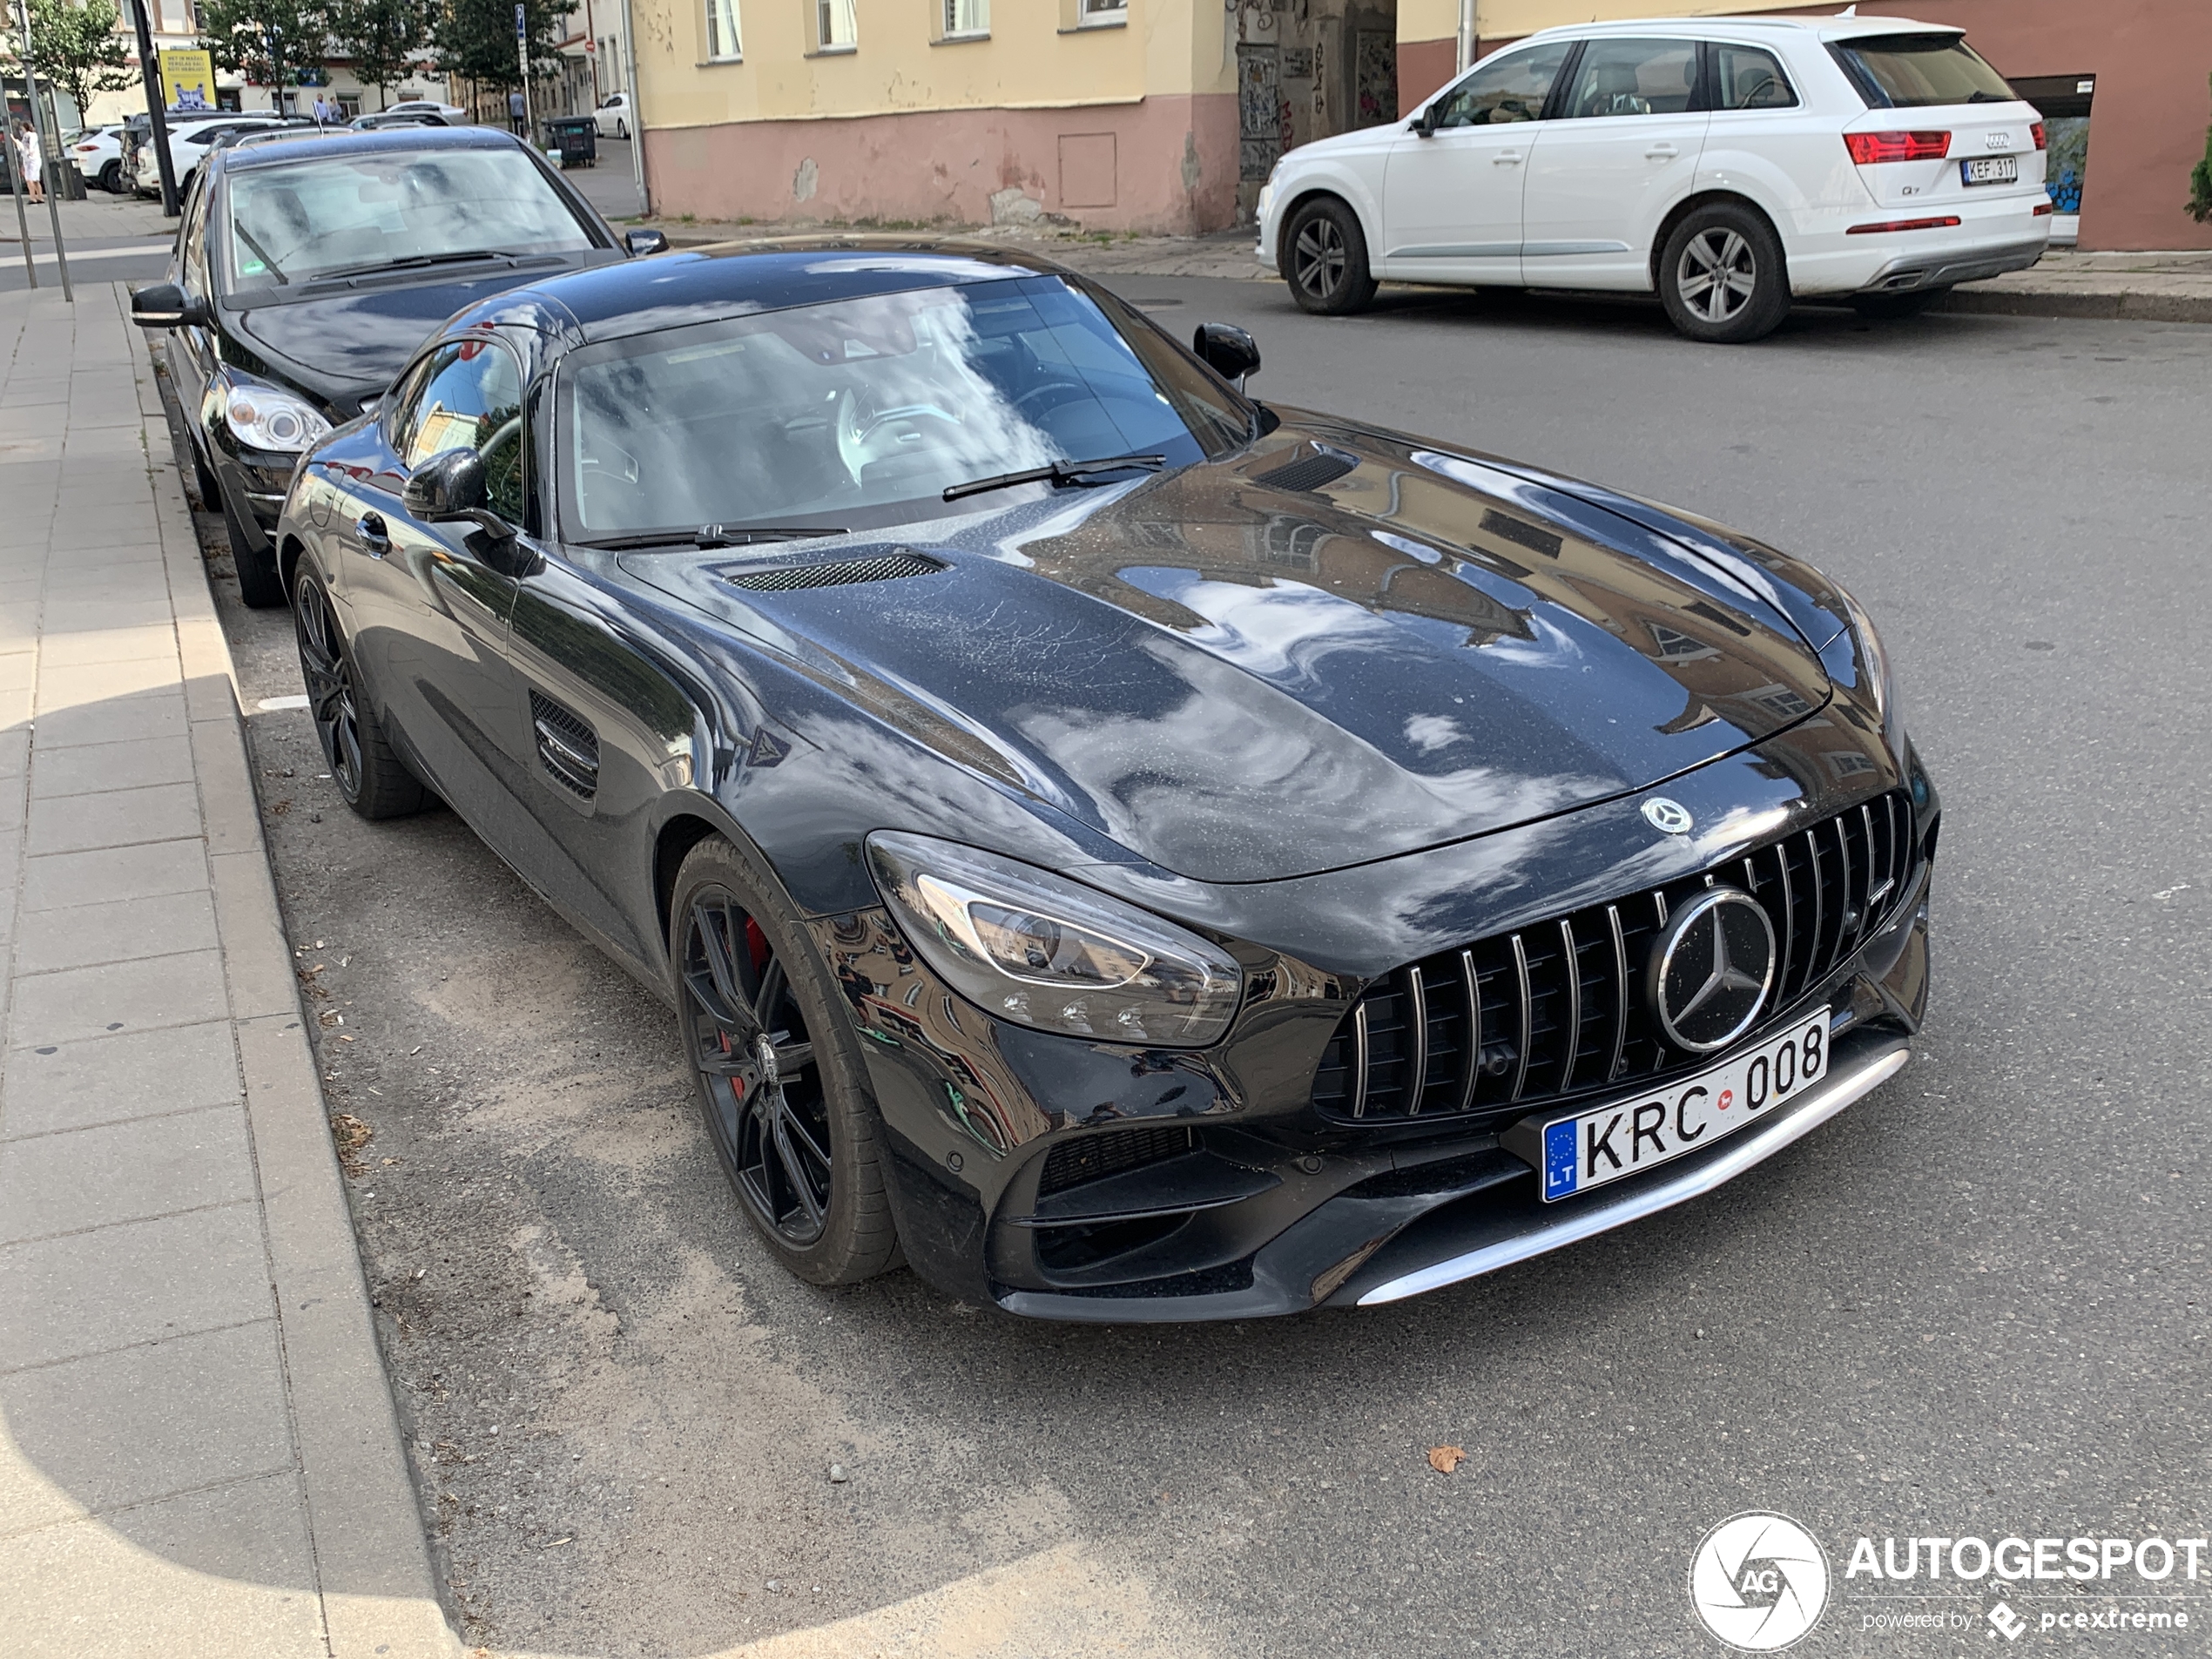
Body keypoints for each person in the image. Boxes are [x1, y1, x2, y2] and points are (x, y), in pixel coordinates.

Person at [12, 120, 41, 205]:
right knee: (36, 179)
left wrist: (14, 140)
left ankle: (33, 197)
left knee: (29, 179)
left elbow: (23, 147)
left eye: (22, 128)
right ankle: (40, 196)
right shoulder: (35, 135)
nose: (21, 131)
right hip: (36, 158)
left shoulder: (27, 135)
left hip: (30, 160)